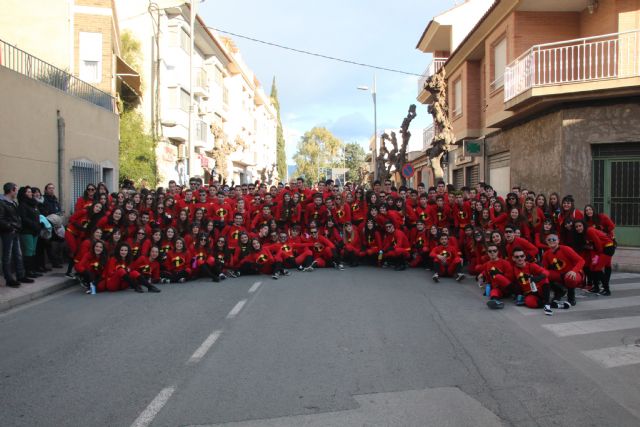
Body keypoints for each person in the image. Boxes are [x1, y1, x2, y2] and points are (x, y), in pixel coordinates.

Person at [0, 182, 34, 287]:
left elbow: (16, 217)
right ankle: (9, 279)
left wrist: (17, 226)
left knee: (18, 255)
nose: (17, 192)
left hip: (15, 232)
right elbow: (1, 219)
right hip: (8, 232)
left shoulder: (13, 202)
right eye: (16, 190)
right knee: (7, 256)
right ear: (11, 190)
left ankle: (21, 276)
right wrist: (11, 226)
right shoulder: (2, 203)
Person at [17, 186, 43, 279]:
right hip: (27, 231)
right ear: (24, 194)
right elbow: (24, 218)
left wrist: (40, 224)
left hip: (35, 230)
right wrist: (34, 224)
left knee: (33, 251)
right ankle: (28, 271)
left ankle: (33, 270)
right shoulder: (22, 205)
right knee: (29, 250)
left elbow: (37, 215)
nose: (31, 193)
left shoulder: (33, 204)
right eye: (28, 192)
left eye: (30, 192)